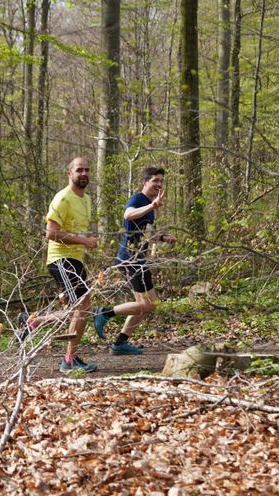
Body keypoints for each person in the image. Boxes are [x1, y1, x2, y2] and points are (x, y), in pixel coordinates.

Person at [18, 157, 99, 373]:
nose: (84, 174)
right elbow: (51, 233)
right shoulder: (63, 198)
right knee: (83, 307)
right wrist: (83, 241)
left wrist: (88, 238)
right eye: (79, 170)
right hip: (60, 259)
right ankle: (69, 360)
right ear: (69, 173)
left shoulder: (87, 200)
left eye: (87, 170)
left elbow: (75, 229)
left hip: (76, 259)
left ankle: (33, 323)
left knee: (82, 309)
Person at [93, 166, 175, 354]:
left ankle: (120, 342)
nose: (159, 184)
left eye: (161, 181)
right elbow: (128, 214)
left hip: (138, 260)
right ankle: (104, 312)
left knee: (147, 306)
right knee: (149, 305)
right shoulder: (139, 199)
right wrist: (151, 206)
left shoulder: (150, 205)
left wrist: (162, 238)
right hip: (130, 259)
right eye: (155, 180)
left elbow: (146, 233)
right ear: (145, 182)